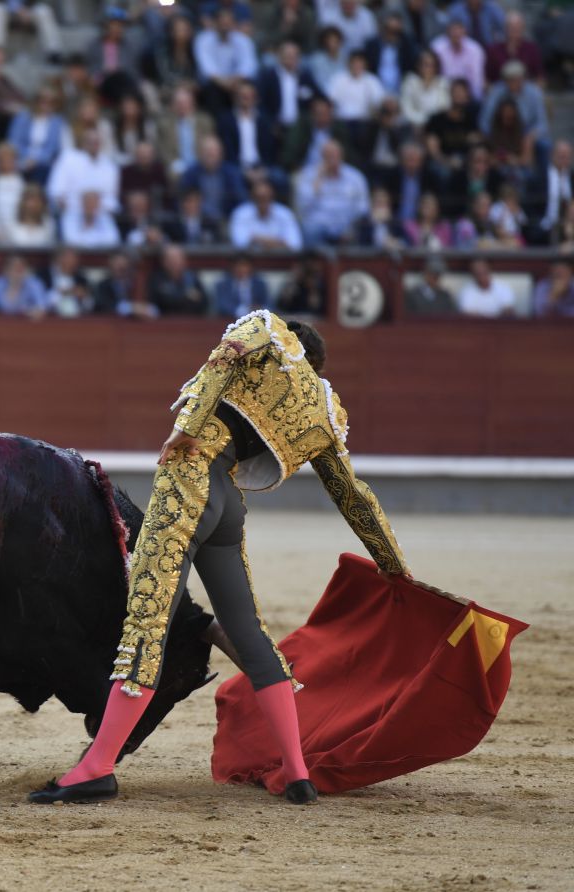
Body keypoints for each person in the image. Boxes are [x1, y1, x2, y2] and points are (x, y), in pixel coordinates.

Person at [29, 311, 409, 806]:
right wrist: (395, 566)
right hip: (228, 505)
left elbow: (225, 356)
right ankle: (297, 773)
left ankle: (96, 767)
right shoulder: (325, 412)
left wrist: (185, 428)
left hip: (190, 478)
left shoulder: (269, 331)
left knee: (147, 623)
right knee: (249, 631)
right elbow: (353, 496)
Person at [295, 140, 370, 246]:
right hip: (319, 225)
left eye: (335, 155)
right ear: (322, 157)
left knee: (363, 229)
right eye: (328, 156)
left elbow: (363, 208)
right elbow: (302, 208)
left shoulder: (356, 177)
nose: (332, 159)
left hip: (348, 225)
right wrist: (317, 182)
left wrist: (351, 226)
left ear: (342, 156)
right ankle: (315, 262)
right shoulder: (307, 176)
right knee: (310, 230)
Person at [230, 179, 303, 251]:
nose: (263, 201)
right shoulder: (241, 213)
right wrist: (279, 242)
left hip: (280, 260)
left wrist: (256, 239)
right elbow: (239, 244)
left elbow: (295, 245)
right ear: (252, 197)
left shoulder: (285, 213)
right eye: (258, 197)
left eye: (266, 197)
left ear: (272, 197)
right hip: (252, 260)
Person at [431, 17, 485, 99]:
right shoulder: (437, 47)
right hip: (442, 93)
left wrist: (474, 98)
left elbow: (476, 79)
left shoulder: (475, 49)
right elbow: (433, 75)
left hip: (467, 93)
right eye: (453, 30)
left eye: (459, 30)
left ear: (465, 32)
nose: (456, 33)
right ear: (447, 32)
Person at [148, 245, 208, 316]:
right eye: (171, 259)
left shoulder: (192, 278)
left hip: (191, 321)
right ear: (164, 262)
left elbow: (204, 302)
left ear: (184, 261)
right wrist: (186, 297)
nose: (175, 262)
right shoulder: (157, 279)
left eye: (177, 259)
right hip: (165, 322)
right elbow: (160, 304)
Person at [485, 11, 543, 84]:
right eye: (511, 27)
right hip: (501, 86)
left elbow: (540, 76)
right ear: (505, 28)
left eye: (518, 27)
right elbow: (487, 78)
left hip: (525, 87)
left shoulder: (531, 48)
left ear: (523, 28)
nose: (515, 30)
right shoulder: (493, 50)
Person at [400, 50, 449, 128]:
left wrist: (431, 123)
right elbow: (406, 109)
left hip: (437, 126)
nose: (427, 68)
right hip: (413, 126)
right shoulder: (410, 81)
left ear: (436, 67)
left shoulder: (443, 83)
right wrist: (422, 121)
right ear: (418, 65)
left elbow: (444, 108)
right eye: (425, 64)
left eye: (431, 65)